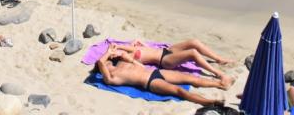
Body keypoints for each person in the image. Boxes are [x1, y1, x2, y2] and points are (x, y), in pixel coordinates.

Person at [94, 52, 227, 106]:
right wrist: (106, 56)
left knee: (190, 78)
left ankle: (220, 84)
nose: (107, 62)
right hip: (151, 82)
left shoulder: (122, 63)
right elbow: (100, 61)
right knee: (180, 92)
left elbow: (136, 60)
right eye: (106, 63)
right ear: (101, 68)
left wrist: (118, 54)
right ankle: (210, 102)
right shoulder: (111, 77)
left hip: (156, 72)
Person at [105, 38, 233, 86]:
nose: (115, 51)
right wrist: (115, 51)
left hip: (166, 50)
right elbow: (135, 62)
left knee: (193, 42)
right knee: (193, 52)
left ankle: (218, 59)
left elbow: (132, 44)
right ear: (115, 57)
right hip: (165, 60)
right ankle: (219, 74)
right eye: (113, 54)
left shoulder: (129, 49)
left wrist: (118, 47)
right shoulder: (126, 59)